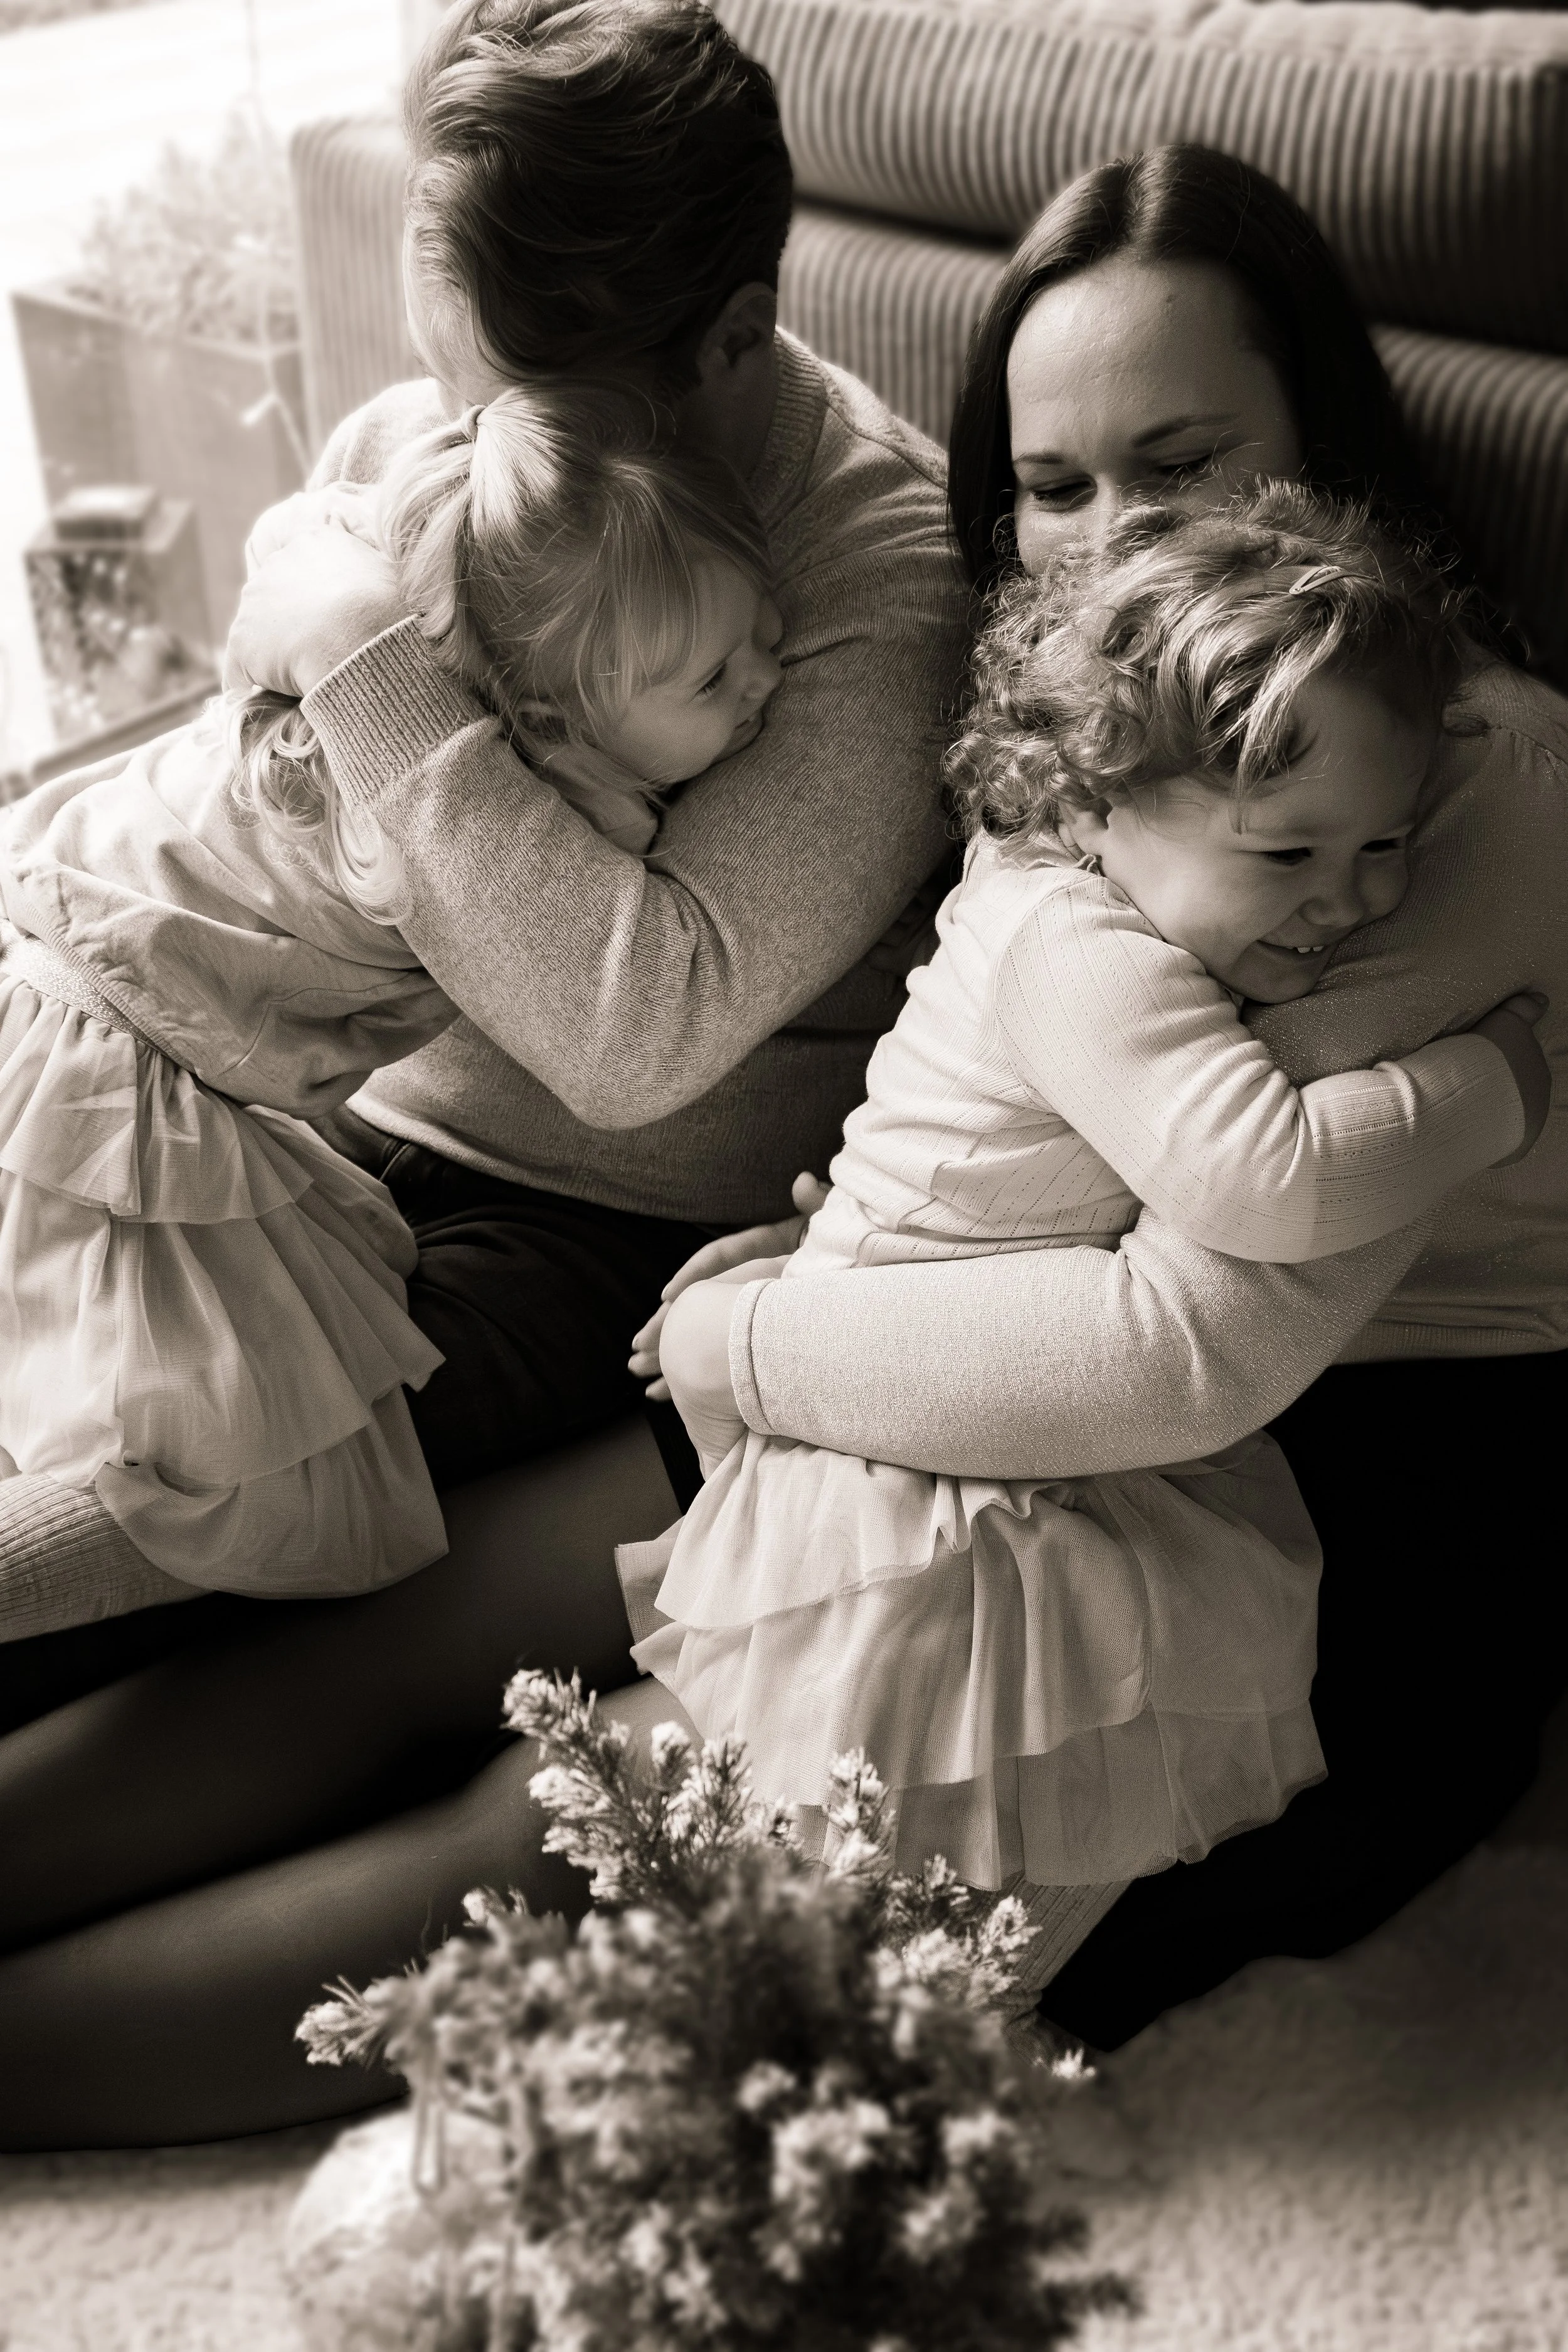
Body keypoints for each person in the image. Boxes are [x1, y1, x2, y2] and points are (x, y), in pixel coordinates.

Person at [0, 140, 1559, 2149]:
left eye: (1182, 461)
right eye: (1053, 486)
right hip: (943, 1349)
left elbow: (1190, 1340)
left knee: (565, 1824)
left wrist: (751, 1343)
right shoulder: (1103, 729)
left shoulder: (1445, 776)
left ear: (1321, 443)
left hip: (1305, 1485)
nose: (1110, 536)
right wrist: (829, 1248)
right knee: (398, 1631)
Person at [628, 485, 1545, 1926]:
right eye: (1287, 853)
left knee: (950, 1884)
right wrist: (1490, 1086)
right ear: (1093, 796)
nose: (1355, 903)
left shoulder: (1122, 907)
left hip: (981, 1421)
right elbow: (1262, 1176)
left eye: (1382, 846)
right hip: (903, 1451)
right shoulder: (1070, 942)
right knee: (858, 1881)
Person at [0, 386, 783, 1640]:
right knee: (252, 1475)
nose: (766, 684)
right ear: (550, 718)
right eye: (712, 676)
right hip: (110, 1069)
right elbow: (608, 1007)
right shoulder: (496, 826)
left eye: (766, 634)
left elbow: (300, 537)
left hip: (83, 969)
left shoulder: (432, 638)